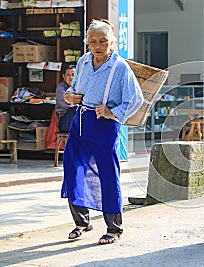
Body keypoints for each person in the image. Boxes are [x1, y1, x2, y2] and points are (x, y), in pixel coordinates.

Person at [61, 19, 144, 245]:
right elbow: (74, 88)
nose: (98, 46)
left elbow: (136, 99)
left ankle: (114, 227)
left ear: (112, 42)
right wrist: (69, 96)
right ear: (87, 43)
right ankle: (82, 222)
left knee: (107, 172)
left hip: (103, 124)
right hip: (79, 121)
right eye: (93, 41)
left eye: (103, 41)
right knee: (72, 169)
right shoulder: (84, 61)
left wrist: (113, 112)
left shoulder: (119, 67)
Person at [55, 64, 76, 132]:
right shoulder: (61, 89)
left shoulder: (79, 86)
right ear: (64, 77)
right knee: (74, 109)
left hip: (75, 120)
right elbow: (67, 106)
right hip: (65, 121)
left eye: (73, 75)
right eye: (68, 75)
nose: (71, 78)